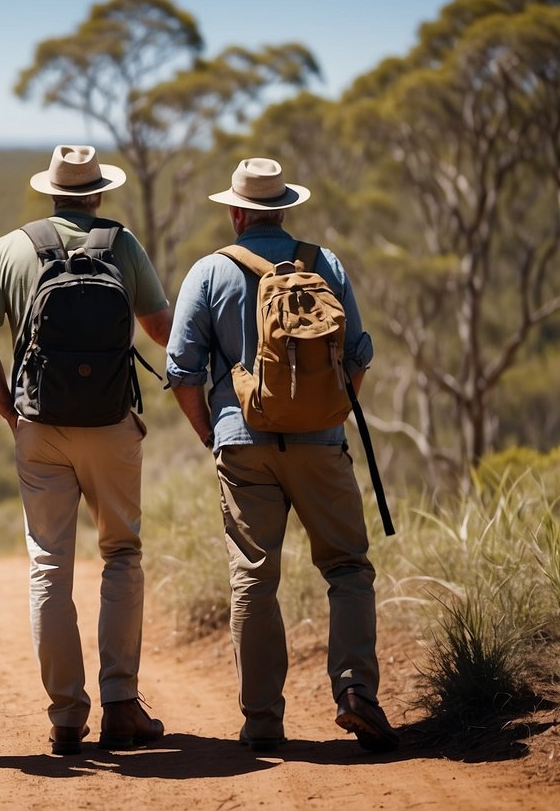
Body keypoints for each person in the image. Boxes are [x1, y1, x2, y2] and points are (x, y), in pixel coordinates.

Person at [165, 157, 400, 754]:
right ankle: (355, 694)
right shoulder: (327, 265)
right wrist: (327, 417)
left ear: (237, 212)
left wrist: (210, 433)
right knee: (347, 568)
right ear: (286, 208)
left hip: (242, 445)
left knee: (253, 579)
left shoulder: (210, 271)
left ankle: (264, 720)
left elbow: (181, 369)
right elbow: (358, 355)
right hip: (322, 446)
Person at [0, 145, 172, 755]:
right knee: (122, 554)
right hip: (110, 424)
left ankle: (66, 714)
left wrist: (10, 411)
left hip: (40, 426)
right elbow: (161, 330)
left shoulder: (12, 246)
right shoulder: (122, 244)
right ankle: (122, 704)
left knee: (49, 564)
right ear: (98, 193)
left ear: (51, 193)